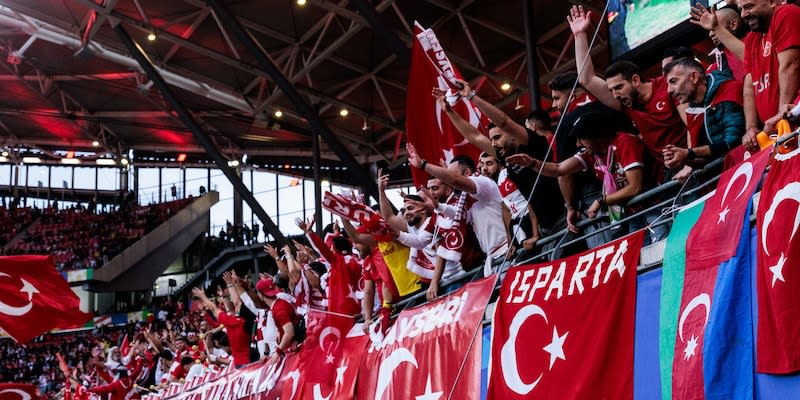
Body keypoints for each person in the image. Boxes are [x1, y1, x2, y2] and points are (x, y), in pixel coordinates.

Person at [569, 5, 687, 182]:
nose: (615, 95)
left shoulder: (667, 86)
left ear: (636, 80)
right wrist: (580, 36)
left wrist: (690, 158)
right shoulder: (627, 105)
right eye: (611, 90)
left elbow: (692, 123)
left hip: (690, 162)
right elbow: (587, 80)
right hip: (668, 175)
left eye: (618, 87)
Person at [506, 112, 660, 243]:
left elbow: (635, 187)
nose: (578, 143)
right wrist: (532, 163)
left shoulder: (624, 142)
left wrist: (601, 201)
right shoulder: (590, 154)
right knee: (639, 255)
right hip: (633, 212)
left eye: (581, 138)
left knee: (658, 251)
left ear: (596, 135)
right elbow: (559, 169)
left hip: (654, 206)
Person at [406, 144, 508, 274]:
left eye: (450, 174)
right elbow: (458, 214)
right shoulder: (465, 198)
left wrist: (423, 164)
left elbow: (454, 180)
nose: (447, 180)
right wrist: (439, 207)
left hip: (505, 252)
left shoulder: (482, 183)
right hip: (492, 260)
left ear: (467, 173)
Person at [737, 0, 800, 148]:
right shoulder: (752, 38)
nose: (744, 14)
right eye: (740, 9)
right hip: (779, 132)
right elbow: (749, 88)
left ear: (772, 2)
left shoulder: (785, 13)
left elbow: (791, 66)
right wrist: (751, 127)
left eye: (749, 6)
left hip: (793, 121)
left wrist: (781, 117)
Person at [663, 57, 744, 171]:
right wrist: (680, 158)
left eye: (673, 81)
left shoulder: (728, 91)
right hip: (727, 172)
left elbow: (732, 142)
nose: (669, 90)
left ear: (694, 77)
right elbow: (704, 159)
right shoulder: (693, 111)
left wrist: (688, 153)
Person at [191, 287, 252, 368]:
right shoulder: (254, 319)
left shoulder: (231, 322)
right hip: (256, 360)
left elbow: (214, 308)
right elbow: (237, 303)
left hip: (240, 364)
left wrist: (203, 297)